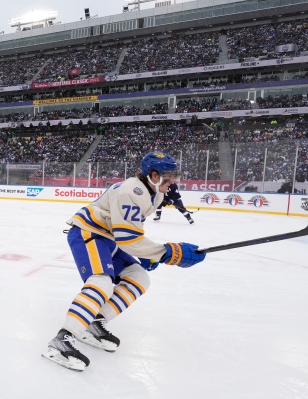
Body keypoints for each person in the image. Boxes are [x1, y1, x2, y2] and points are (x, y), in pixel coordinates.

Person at [43, 151, 207, 372]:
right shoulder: (132, 191)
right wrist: (167, 253)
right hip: (88, 233)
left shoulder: (155, 194)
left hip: (109, 239)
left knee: (139, 278)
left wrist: (148, 253)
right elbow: (128, 238)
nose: (173, 181)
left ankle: (94, 322)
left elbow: (131, 231)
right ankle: (62, 340)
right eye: (169, 177)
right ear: (154, 175)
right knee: (101, 282)